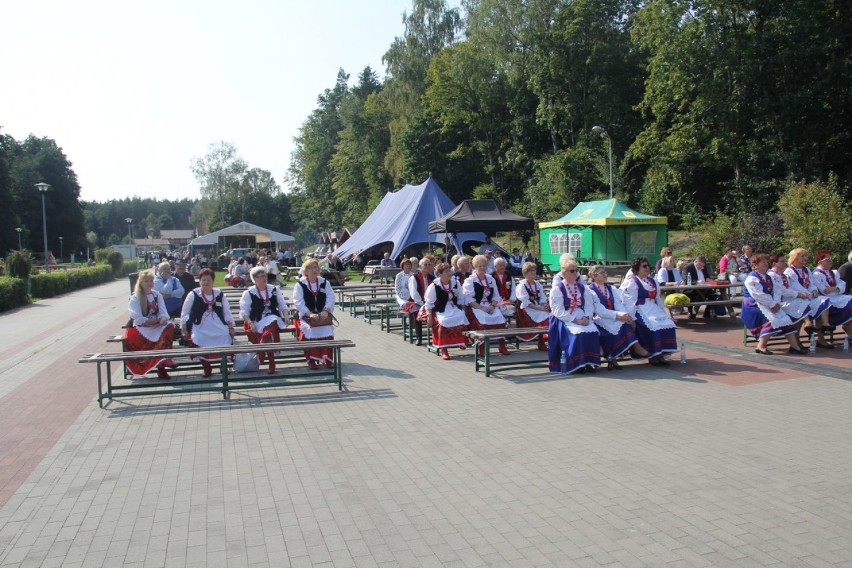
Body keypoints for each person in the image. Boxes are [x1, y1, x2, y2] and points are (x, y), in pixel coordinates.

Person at [742, 254, 807, 355]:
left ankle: (795, 347)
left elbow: (778, 290)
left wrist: (776, 303)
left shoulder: (769, 277)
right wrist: (772, 304)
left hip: (769, 303)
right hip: (753, 306)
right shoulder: (751, 278)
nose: (765, 264)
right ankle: (761, 346)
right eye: (762, 262)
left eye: (765, 262)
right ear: (755, 266)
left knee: (786, 319)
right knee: (772, 320)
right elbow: (757, 295)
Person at [588, 265, 649, 369]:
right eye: (602, 273)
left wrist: (625, 315)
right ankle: (631, 350)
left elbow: (618, 304)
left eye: (605, 272)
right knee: (618, 326)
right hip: (600, 318)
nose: (605, 275)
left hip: (614, 316)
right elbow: (600, 310)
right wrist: (618, 316)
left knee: (627, 323)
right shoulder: (590, 290)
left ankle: (615, 356)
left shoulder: (611, 288)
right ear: (594, 276)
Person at [547, 256, 600, 374]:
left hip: (580, 314)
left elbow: (589, 305)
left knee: (593, 332)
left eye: (576, 270)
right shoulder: (557, 289)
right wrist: (575, 320)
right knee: (577, 335)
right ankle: (576, 364)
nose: (575, 273)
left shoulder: (582, 287)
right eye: (572, 271)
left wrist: (587, 317)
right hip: (564, 317)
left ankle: (588, 362)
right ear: (564, 273)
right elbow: (557, 310)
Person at [621, 257, 678, 366]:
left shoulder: (653, 281)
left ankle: (660, 354)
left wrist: (664, 313)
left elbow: (658, 299)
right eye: (644, 266)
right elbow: (630, 302)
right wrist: (632, 318)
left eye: (648, 266)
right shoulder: (632, 282)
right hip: (640, 308)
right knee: (653, 325)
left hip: (653, 308)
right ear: (637, 269)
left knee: (668, 324)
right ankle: (653, 355)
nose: (647, 268)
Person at [180, 268, 236, 377]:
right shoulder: (193, 294)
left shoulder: (219, 294)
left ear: (213, 281)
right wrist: (184, 328)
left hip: (218, 323)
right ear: (199, 281)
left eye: (209, 280)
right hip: (200, 325)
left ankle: (223, 364)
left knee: (224, 335)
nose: (206, 282)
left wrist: (230, 327)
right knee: (199, 338)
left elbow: (227, 312)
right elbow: (184, 312)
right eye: (203, 280)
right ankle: (207, 367)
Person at [124, 269, 175, 379]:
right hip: (141, 328)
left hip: (155, 326)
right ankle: (161, 364)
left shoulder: (157, 295)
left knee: (169, 326)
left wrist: (162, 319)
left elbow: (163, 312)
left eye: (151, 280)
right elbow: (135, 316)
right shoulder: (136, 297)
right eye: (146, 281)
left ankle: (164, 361)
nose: (149, 283)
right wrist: (147, 321)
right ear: (141, 283)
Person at [239, 266, 289, 374]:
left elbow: (282, 305)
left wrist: (286, 316)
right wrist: (250, 323)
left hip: (273, 318)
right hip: (256, 321)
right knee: (270, 332)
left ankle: (264, 347)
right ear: (255, 278)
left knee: (273, 321)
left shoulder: (274, 289)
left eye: (265, 275)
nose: (264, 278)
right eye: (261, 276)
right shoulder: (249, 293)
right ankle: (271, 362)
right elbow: (244, 311)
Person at [292, 258, 336, 369]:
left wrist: (326, 310)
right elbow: (298, 301)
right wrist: (309, 313)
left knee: (327, 330)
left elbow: (331, 297)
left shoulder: (324, 282)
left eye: (316, 267)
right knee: (310, 330)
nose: (314, 270)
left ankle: (327, 358)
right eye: (311, 267)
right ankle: (311, 359)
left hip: (323, 314)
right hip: (306, 316)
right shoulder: (300, 284)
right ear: (305, 271)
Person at [784, 248, 832, 348]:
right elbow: (794, 286)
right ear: (795, 258)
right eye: (802, 256)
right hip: (795, 298)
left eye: (806, 256)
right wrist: (807, 293)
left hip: (808, 296)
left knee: (823, 301)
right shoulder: (789, 271)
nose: (805, 258)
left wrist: (814, 290)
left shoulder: (806, 270)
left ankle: (825, 327)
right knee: (801, 308)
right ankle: (798, 339)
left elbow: (811, 283)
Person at [463, 254, 510, 356]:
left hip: (490, 305)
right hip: (477, 306)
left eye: (484, 265)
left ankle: (502, 345)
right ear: (475, 267)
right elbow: (469, 299)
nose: (482, 268)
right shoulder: (470, 280)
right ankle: (482, 347)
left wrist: (492, 306)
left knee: (499, 317)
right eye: (480, 266)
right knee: (482, 319)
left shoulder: (490, 279)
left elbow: (496, 296)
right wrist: (483, 308)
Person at [424, 263, 470, 360]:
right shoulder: (434, 285)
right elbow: (429, 303)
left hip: (453, 307)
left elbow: (461, 298)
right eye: (446, 272)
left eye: (449, 271)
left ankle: (460, 342)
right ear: (440, 274)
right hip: (441, 309)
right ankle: (444, 348)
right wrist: (429, 316)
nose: (449, 273)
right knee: (443, 322)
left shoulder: (455, 283)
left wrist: (463, 310)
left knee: (462, 316)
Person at [812, 250, 852, 342]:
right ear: (820, 262)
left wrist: (834, 288)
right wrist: (835, 288)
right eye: (828, 259)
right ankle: (822, 336)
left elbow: (842, 285)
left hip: (837, 297)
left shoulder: (834, 272)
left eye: (831, 259)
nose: (831, 261)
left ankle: (850, 332)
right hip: (826, 299)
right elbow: (824, 290)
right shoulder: (816, 274)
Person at [767, 253, 812, 334]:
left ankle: (803, 329)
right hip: (777, 303)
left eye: (784, 261)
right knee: (801, 304)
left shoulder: (784, 275)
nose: (784, 263)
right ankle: (807, 323)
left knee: (802, 304)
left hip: (787, 299)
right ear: (774, 263)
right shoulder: (771, 275)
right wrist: (798, 294)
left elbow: (793, 286)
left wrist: (803, 293)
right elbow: (781, 290)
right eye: (781, 261)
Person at [514, 261, 550, 350]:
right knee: (544, 315)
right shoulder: (522, 285)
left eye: (534, 270)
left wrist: (544, 305)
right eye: (531, 271)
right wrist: (540, 308)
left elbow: (542, 297)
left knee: (550, 315)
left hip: (538, 307)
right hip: (526, 309)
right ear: (525, 273)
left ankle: (543, 340)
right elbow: (526, 302)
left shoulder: (537, 284)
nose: (534, 273)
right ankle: (542, 340)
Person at [404, 256, 436, 345]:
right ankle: (419, 337)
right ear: (420, 266)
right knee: (416, 312)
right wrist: (422, 304)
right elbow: (414, 294)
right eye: (425, 265)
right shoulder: (414, 278)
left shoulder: (433, 278)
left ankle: (436, 337)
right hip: (417, 302)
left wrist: (429, 303)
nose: (428, 266)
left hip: (429, 302)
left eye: (429, 265)